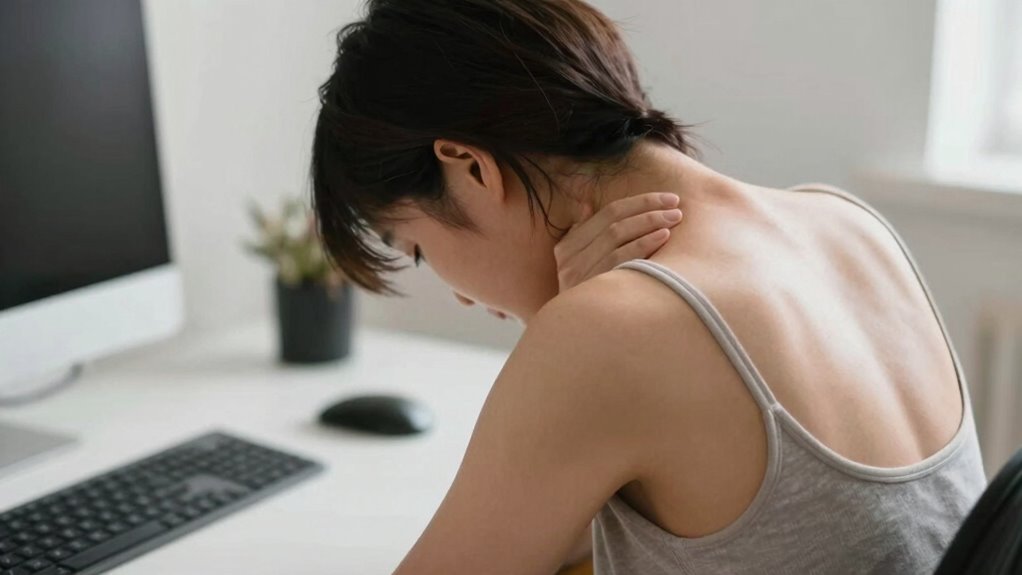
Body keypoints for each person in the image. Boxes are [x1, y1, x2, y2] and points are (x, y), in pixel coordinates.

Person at [309, 1, 988, 573]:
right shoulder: (845, 223)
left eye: (419, 249)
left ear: (469, 169)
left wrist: (565, 326)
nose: (458, 295)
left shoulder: (606, 337)